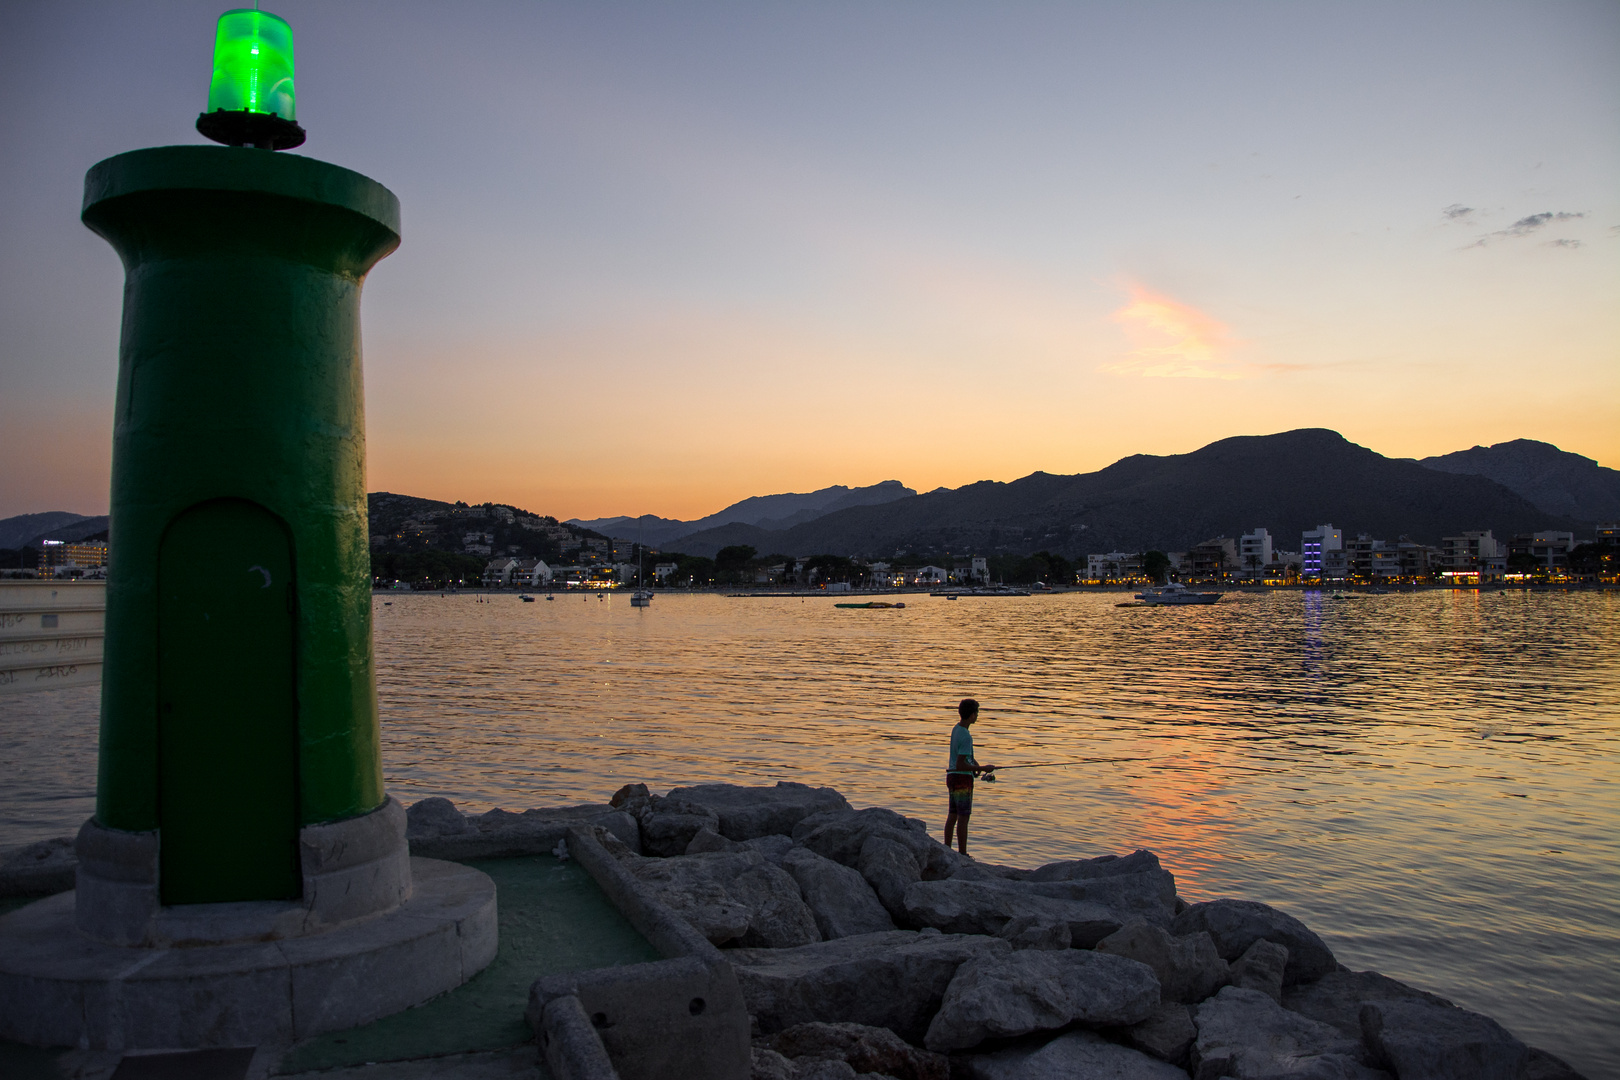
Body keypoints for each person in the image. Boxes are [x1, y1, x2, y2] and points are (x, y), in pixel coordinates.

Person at [943, 698, 993, 855]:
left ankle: (946, 849)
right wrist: (983, 768)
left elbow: (963, 757)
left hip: (952, 778)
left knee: (953, 814)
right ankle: (962, 854)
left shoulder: (957, 729)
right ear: (972, 715)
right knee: (963, 818)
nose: (977, 716)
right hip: (962, 780)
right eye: (977, 713)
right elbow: (960, 764)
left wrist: (974, 763)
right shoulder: (966, 736)